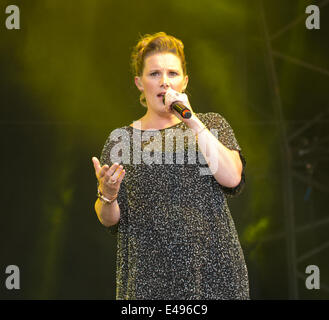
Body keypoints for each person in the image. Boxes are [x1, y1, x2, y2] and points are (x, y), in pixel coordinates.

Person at [92, 32, 249, 300]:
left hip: (213, 273)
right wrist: (108, 194)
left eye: (173, 74)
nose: (164, 82)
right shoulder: (123, 139)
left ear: (184, 81)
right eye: (154, 74)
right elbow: (110, 219)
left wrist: (191, 120)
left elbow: (232, 177)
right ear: (139, 82)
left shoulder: (210, 125)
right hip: (148, 278)